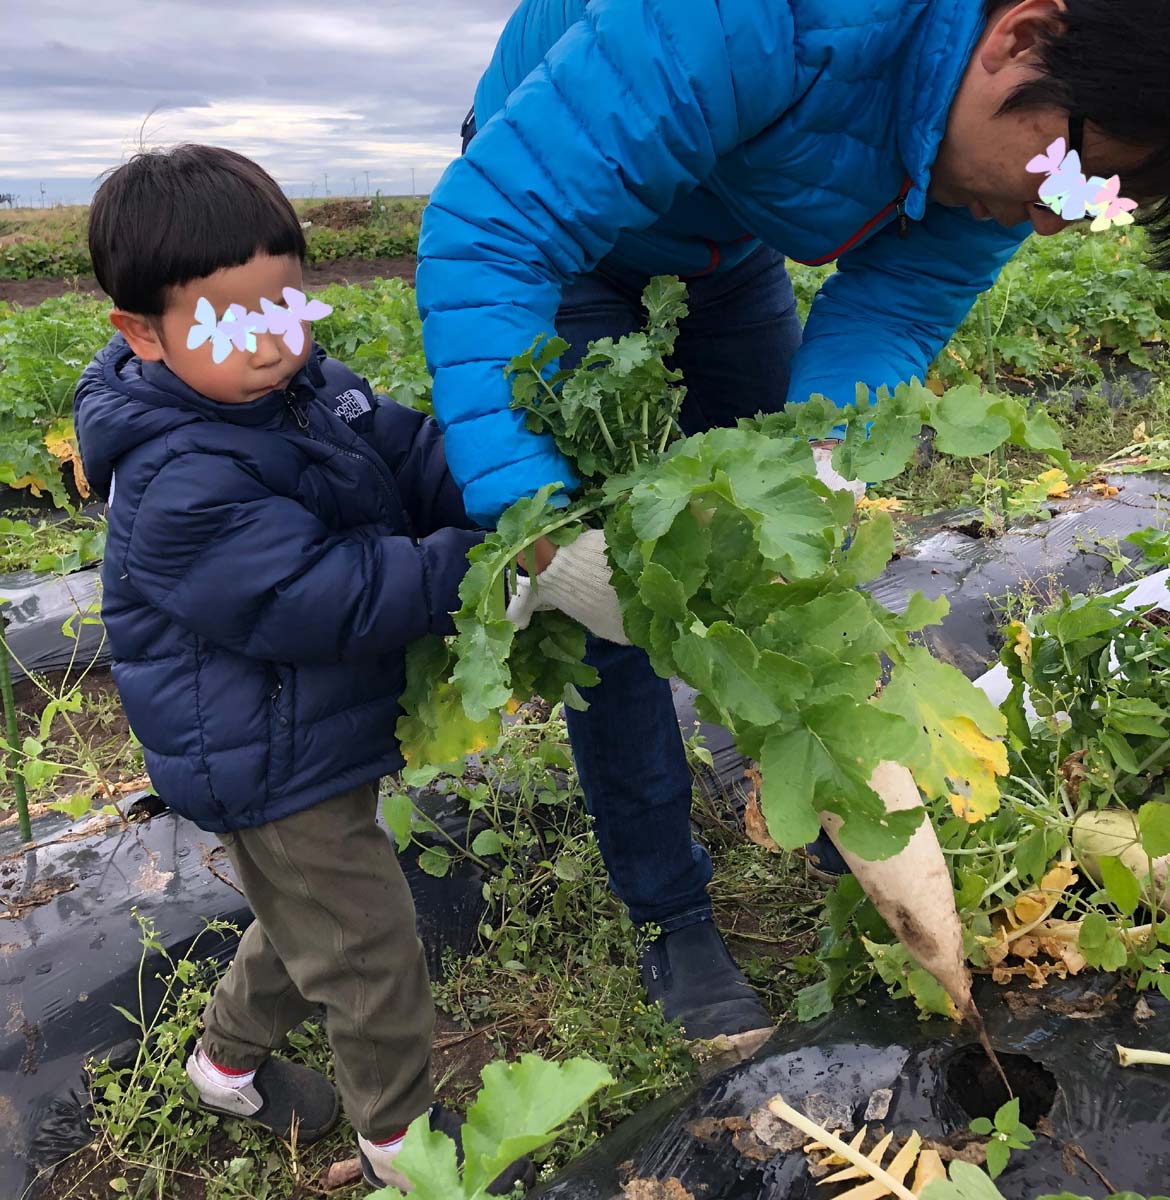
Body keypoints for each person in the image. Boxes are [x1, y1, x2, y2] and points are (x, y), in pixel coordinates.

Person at [417, 0, 1170, 1046]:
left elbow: (897, 307)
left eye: (1096, 206)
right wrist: (536, 511)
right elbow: (492, 227)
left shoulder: (1000, 156)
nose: (1056, 219)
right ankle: (671, 916)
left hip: (721, 250)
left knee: (790, 553)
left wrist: (815, 471)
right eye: (1071, 177)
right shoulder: (750, 15)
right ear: (1018, 39)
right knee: (618, 593)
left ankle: (839, 803)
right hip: (560, 235)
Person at [74, 144, 529, 1193]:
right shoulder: (178, 478)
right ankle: (399, 1141)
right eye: (234, 321)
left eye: (286, 302)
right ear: (141, 335)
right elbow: (324, 595)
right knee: (366, 943)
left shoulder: (308, 389)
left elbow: (406, 454)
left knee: (303, 923)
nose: (274, 337)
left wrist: (498, 486)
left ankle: (223, 1064)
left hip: (304, 730)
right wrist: (477, 565)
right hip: (263, 758)